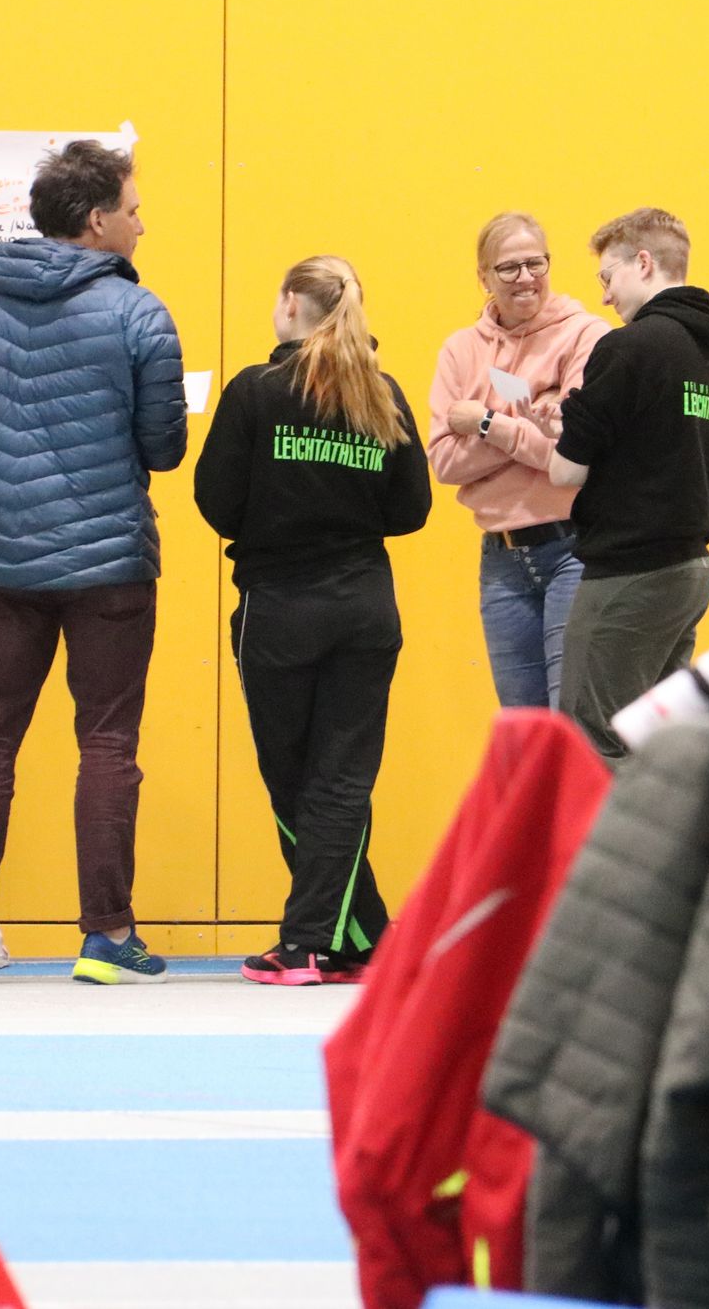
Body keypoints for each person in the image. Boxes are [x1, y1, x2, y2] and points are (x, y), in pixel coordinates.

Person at [0, 140, 187, 985]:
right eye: (134, 210)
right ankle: (107, 937)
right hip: (111, 566)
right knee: (106, 742)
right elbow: (165, 448)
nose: (142, 224)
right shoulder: (139, 314)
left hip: (1, 568)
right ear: (97, 220)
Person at [193, 256, 431, 985]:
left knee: (297, 782)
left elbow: (216, 502)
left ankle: (304, 944)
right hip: (365, 607)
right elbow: (411, 510)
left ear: (292, 302)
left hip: (279, 609)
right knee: (341, 781)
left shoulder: (256, 391)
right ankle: (366, 937)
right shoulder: (382, 393)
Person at [547, 208, 709, 762]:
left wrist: (568, 429)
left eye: (608, 276)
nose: (605, 296)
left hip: (629, 572)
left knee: (592, 743)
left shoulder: (628, 347)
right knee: (657, 745)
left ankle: (613, 828)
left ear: (644, 263)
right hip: (689, 570)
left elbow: (565, 471)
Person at [428, 212, 612, 708]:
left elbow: (569, 454)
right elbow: (444, 462)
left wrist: (486, 422)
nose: (525, 277)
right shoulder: (460, 350)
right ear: (483, 276)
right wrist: (531, 422)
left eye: (536, 263)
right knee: (523, 727)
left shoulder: (586, 336)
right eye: (508, 268)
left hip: (575, 550)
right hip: (502, 560)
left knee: (571, 717)